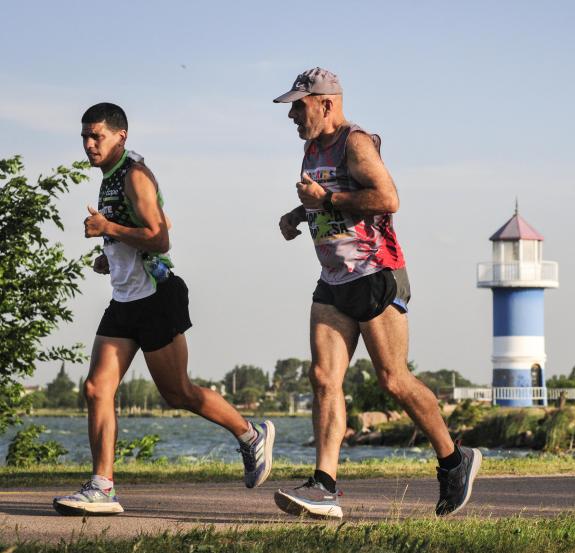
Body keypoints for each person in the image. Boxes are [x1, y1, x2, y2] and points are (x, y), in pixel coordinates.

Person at [271, 68, 480, 519]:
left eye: (298, 106)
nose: (291, 116)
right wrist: (297, 214)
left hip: (375, 272)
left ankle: (453, 460)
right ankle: (324, 485)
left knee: (393, 379)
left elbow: (387, 198)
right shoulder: (312, 149)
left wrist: (325, 201)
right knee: (323, 378)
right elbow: (325, 195)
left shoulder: (356, 143)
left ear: (326, 103)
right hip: (333, 278)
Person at [53, 103, 275, 516]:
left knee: (177, 393)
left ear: (121, 136)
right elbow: (157, 222)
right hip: (124, 300)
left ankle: (250, 434)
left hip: (156, 298)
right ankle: (102, 487)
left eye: (97, 136)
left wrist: (107, 229)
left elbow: (160, 237)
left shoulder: (134, 175)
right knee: (96, 388)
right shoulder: (111, 177)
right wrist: (112, 254)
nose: (88, 144)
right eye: (84, 136)